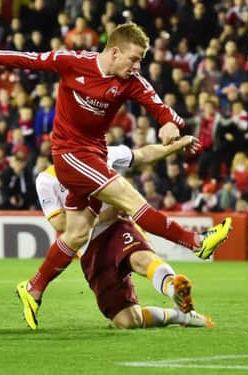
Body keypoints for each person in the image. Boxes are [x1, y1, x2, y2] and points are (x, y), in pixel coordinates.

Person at [0, 22, 232, 330]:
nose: (137, 66)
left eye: (141, 60)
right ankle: (197, 242)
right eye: (133, 58)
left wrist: (169, 123)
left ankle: (33, 288)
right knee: (132, 201)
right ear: (114, 52)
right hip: (69, 155)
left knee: (77, 234)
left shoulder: (130, 80)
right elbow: (29, 59)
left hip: (96, 155)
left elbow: (156, 103)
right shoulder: (73, 62)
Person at [37, 136, 212, 329]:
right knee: (129, 321)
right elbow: (60, 223)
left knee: (141, 259)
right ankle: (180, 316)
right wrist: (101, 216)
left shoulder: (103, 154)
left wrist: (179, 144)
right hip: (89, 249)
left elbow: (144, 154)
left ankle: (174, 287)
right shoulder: (46, 179)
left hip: (117, 228)